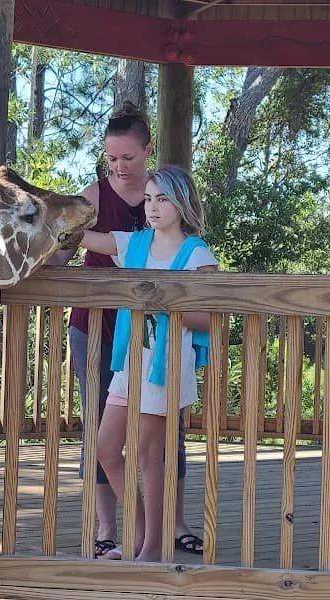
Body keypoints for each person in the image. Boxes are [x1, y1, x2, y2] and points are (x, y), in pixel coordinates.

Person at [49, 102, 202, 558]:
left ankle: (166, 530)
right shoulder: (95, 200)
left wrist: (163, 305)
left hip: (160, 342)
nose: (119, 167)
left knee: (160, 437)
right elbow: (67, 243)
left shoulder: (174, 219)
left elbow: (203, 302)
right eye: (111, 159)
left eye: (128, 158)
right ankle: (108, 530)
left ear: (147, 151)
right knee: (102, 431)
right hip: (101, 330)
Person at [79, 165, 218, 562]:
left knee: (147, 455)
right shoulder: (133, 244)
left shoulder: (197, 254)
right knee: (106, 449)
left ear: (182, 203)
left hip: (167, 364)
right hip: (130, 361)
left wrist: (162, 305)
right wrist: (43, 217)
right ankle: (138, 532)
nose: (153, 207)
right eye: (149, 199)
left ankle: (153, 547)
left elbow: (208, 319)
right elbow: (83, 237)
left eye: (163, 199)